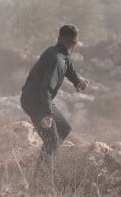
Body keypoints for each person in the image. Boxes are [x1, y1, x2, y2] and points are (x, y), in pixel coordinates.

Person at [20, 24, 88, 173]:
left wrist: (77, 81)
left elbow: (69, 68)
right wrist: (48, 114)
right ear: (75, 43)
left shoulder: (59, 52)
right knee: (52, 141)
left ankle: (42, 167)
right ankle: (40, 181)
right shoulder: (57, 59)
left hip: (39, 99)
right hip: (34, 101)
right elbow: (45, 89)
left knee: (64, 128)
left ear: (58, 39)